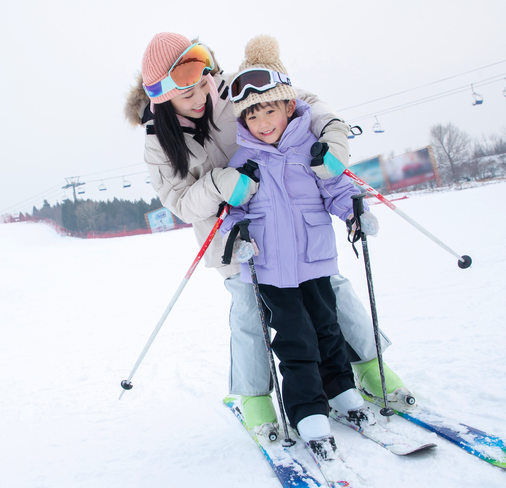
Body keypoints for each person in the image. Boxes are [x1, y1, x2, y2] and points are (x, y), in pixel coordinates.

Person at [123, 33, 411, 435]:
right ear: (163, 97)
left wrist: (333, 133)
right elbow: (181, 202)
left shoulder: (237, 87)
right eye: (187, 94)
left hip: (290, 221)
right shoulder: (159, 142)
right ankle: (255, 395)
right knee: (249, 309)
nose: (201, 96)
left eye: (203, 82)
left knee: (331, 291)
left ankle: (368, 365)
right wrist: (221, 183)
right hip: (234, 236)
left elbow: (304, 104)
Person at [221, 34, 382, 458]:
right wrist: (238, 238)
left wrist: (354, 212)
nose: (262, 123)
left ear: (289, 107)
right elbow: (232, 213)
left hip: (315, 260)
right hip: (272, 270)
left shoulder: (311, 151)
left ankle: (341, 391)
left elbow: (337, 189)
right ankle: (307, 410)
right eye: (252, 116)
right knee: (295, 340)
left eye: (268, 111)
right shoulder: (244, 163)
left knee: (327, 329)